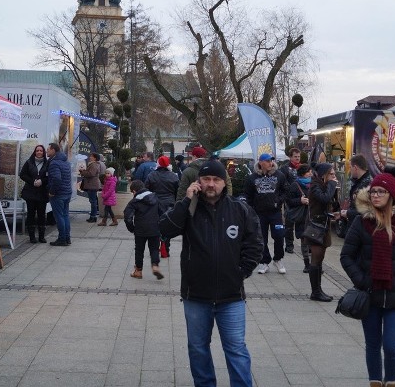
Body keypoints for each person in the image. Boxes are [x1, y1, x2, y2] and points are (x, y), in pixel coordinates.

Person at [159, 159, 263, 387]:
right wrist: (186, 201)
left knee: (236, 349)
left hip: (231, 296)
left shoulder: (239, 209)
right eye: (206, 179)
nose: (211, 184)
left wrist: (240, 273)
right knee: (198, 349)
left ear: (224, 183)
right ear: (198, 182)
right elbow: (165, 229)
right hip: (196, 295)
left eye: (216, 180)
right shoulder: (190, 209)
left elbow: (255, 244)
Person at [339, 173, 395, 387]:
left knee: (392, 346)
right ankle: (375, 382)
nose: (375, 195)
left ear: (392, 195)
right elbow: (346, 255)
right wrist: (362, 280)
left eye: (381, 191)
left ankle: (392, 381)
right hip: (370, 294)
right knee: (373, 344)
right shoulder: (361, 222)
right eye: (373, 191)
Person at [245, 153, 290, 275]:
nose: (270, 163)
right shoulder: (252, 178)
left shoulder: (279, 175)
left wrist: (278, 201)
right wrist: (252, 209)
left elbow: (286, 191)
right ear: (261, 163)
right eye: (267, 161)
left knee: (279, 235)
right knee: (261, 238)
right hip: (260, 214)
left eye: (271, 161)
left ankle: (278, 259)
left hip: (275, 213)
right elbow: (248, 195)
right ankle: (264, 262)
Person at [306, 163, 339, 301]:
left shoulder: (324, 185)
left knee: (320, 259)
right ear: (324, 174)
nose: (334, 177)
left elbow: (331, 202)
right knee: (316, 257)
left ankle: (318, 290)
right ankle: (316, 292)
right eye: (331, 174)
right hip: (316, 226)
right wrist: (332, 185)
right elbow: (324, 198)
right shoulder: (315, 185)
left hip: (323, 225)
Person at [123, 180, 164, 280]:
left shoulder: (135, 201)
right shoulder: (155, 197)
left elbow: (127, 216)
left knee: (139, 250)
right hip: (154, 228)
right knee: (154, 248)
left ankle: (138, 271)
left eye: (132, 192)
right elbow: (162, 213)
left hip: (140, 229)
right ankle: (155, 266)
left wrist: (131, 228)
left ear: (134, 190)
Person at [146, 155, 179, 257]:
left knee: (155, 226)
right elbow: (178, 191)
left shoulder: (151, 175)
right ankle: (166, 249)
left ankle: (155, 249)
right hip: (169, 204)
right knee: (167, 226)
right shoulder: (174, 176)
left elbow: (146, 189)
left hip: (154, 203)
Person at [19, 144, 48, 243]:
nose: (39, 152)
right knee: (31, 214)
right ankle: (32, 236)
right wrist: (32, 181)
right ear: (34, 152)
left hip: (42, 193)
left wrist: (42, 181)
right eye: (37, 150)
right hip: (30, 192)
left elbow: (50, 176)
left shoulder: (47, 163)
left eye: (41, 151)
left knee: (41, 214)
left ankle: (41, 236)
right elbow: (22, 174)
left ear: (44, 152)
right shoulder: (29, 162)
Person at [285, 164, 311, 273]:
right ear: (303, 173)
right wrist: (300, 201)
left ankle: (315, 265)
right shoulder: (295, 185)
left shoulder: (313, 184)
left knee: (314, 241)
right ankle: (307, 264)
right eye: (309, 172)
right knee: (304, 240)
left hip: (313, 216)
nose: (311, 173)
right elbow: (289, 201)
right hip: (302, 217)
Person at [340, 154, 373, 238]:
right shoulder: (358, 182)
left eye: (350, 167)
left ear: (355, 167)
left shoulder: (367, 185)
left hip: (361, 229)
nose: (350, 170)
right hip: (354, 225)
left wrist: (347, 213)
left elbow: (366, 211)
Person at [46, 143, 72, 246]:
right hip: (67, 192)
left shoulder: (54, 163)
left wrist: (52, 192)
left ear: (53, 150)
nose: (46, 151)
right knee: (65, 215)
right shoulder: (65, 162)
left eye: (48, 149)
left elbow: (57, 179)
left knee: (59, 216)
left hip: (58, 194)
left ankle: (62, 239)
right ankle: (67, 238)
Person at [278, 147, 302, 253]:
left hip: (301, 198)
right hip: (289, 199)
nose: (297, 158)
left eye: (298, 156)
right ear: (290, 157)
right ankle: (289, 245)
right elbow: (282, 182)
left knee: (302, 224)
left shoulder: (303, 167)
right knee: (289, 224)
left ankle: (305, 246)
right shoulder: (284, 169)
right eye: (295, 157)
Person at [79, 152, 104, 223]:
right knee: (93, 201)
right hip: (92, 184)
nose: (90, 157)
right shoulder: (94, 164)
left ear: (95, 158)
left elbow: (91, 173)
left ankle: (93, 217)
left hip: (92, 185)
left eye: (91, 156)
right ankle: (93, 216)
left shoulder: (94, 165)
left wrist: (83, 172)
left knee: (93, 201)